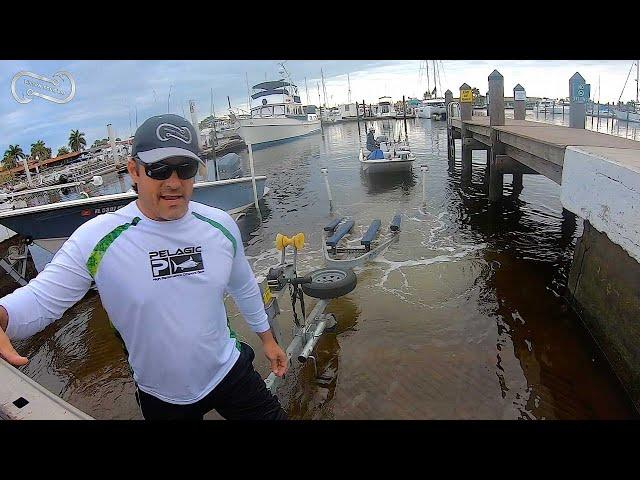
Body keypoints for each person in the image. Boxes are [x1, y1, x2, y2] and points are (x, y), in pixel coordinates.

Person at [0, 114, 288, 420]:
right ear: (134, 170)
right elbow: (42, 299)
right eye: (159, 169)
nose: (174, 182)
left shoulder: (219, 225)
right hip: (162, 397)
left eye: (185, 168)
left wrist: (268, 341)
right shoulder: (97, 239)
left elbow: (243, 286)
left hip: (229, 371)